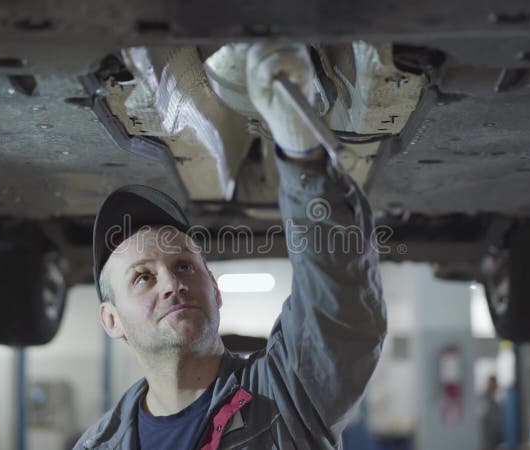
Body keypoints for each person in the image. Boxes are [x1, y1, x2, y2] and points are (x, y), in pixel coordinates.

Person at [73, 43, 387, 450]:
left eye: (185, 266)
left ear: (215, 290)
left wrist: (302, 153)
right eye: (143, 277)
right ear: (111, 320)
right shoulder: (99, 446)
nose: (171, 284)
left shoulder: (285, 396)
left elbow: (338, 309)